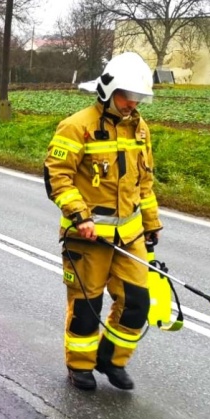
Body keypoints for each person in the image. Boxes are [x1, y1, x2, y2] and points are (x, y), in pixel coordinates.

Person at [44, 52, 162, 392]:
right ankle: (80, 365)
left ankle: (110, 359)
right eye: (127, 96)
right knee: (86, 307)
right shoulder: (76, 126)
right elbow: (58, 177)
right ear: (108, 91)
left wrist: (151, 223)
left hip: (129, 236)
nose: (132, 103)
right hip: (88, 238)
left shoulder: (140, 129)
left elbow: (145, 183)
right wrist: (79, 217)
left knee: (137, 304)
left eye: (138, 98)